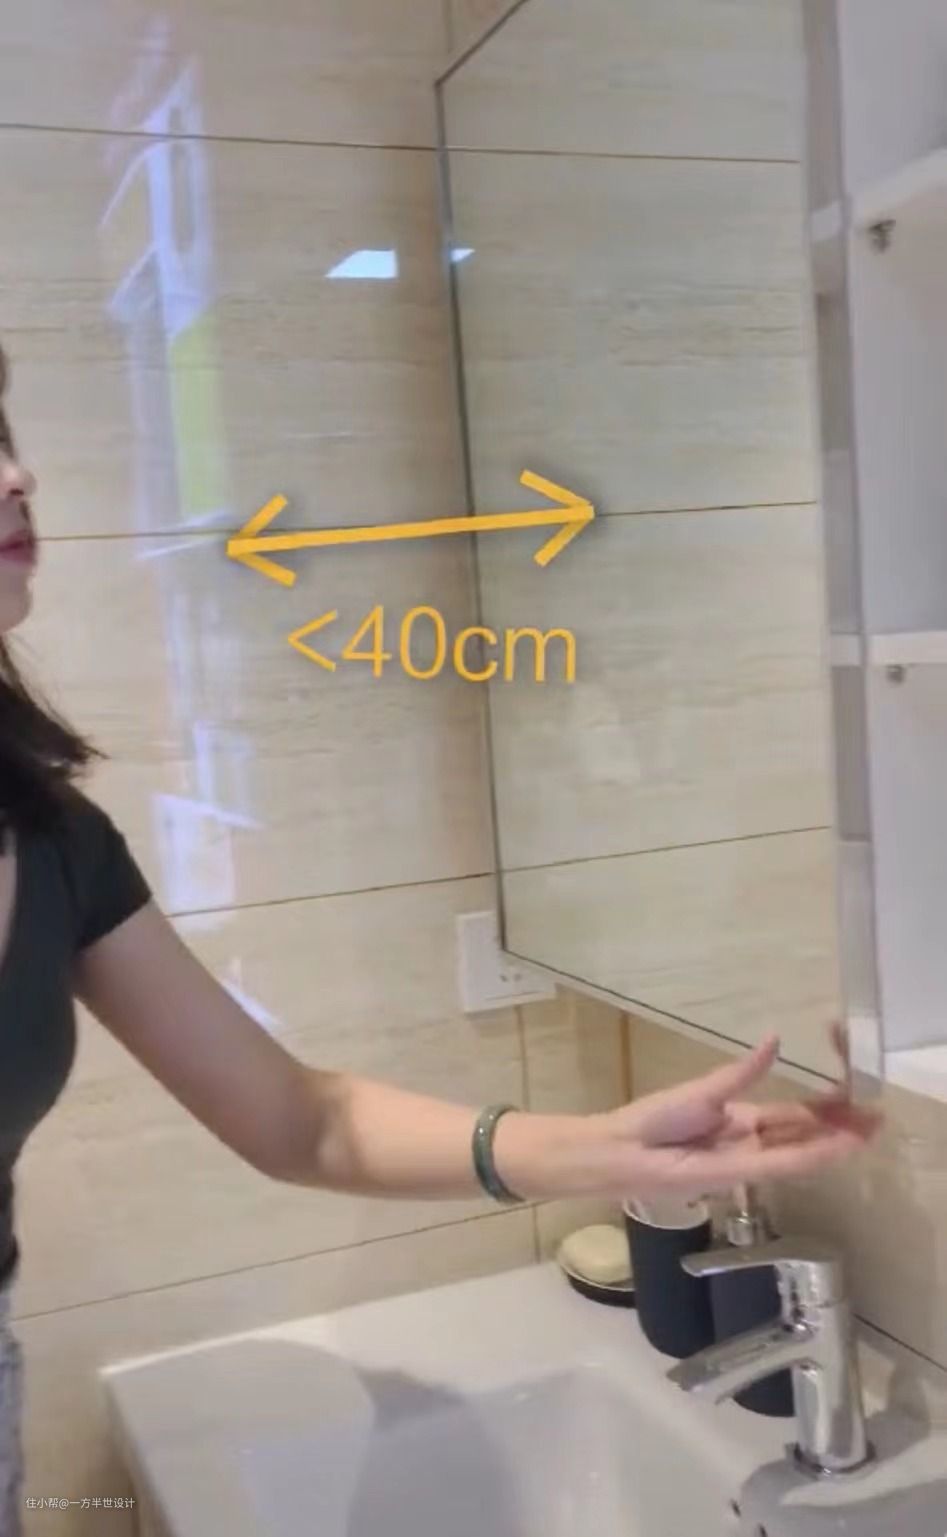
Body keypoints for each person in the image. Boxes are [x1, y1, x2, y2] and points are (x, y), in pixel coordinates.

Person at [0, 345, 877, 1531]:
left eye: (4, 432)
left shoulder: (53, 839)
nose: (18, 475)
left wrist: (605, 1148)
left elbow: (300, 1119)